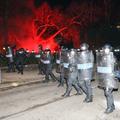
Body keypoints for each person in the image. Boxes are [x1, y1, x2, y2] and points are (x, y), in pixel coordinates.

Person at [96, 44, 119, 113]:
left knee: (107, 92)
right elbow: (100, 65)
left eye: (107, 49)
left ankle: (109, 108)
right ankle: (112, 106)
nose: (105, 50)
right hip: (105, 77)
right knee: (108, 93)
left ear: (109, 49)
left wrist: (115, 75)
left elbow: (116, 68)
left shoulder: (113, 57)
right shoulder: (102, 57)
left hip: (111, 77)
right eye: (104, 49)